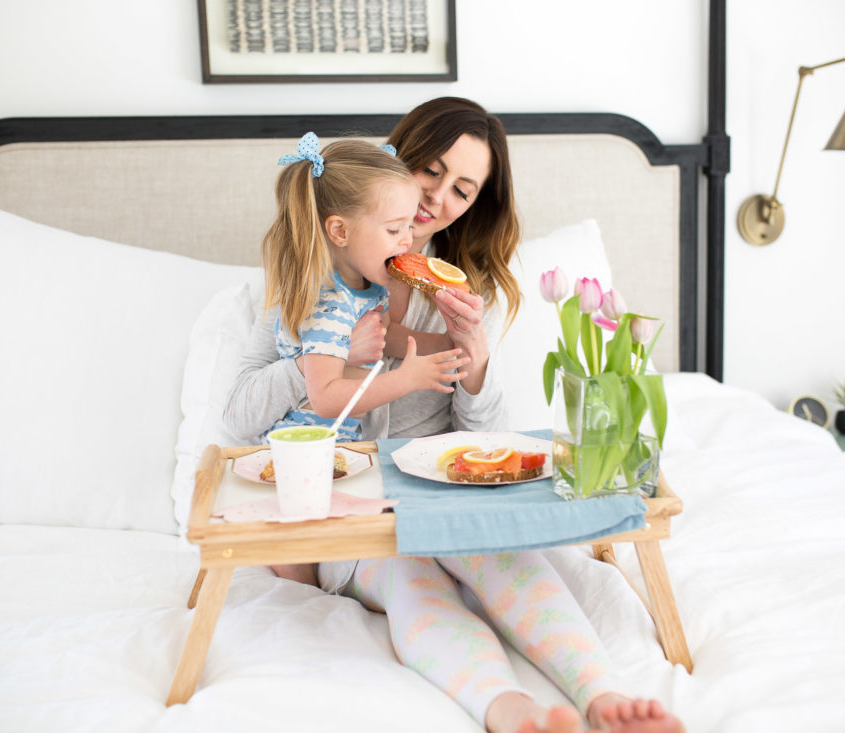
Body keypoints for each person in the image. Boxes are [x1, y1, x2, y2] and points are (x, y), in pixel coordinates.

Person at [225, 98, 683, 733]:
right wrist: (317, 360)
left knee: (510, 559)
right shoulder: (305, 272)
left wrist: (474, 361)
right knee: (411, 581)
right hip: (346, 491)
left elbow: (477, 441)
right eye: (429, 171)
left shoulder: (467, 285)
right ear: (398, 156)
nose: (434, 199)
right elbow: (237, 412)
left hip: (437, 483)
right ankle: (510, 710)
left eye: (461, 189)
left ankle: (603, 696)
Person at [259, 132, 469, 443]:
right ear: (340, 231)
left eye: (409, 226)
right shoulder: (329, 306)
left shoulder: (365, 290)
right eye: (394, 229)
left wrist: (447, 342)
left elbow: (385, 337)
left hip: (337, 445)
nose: (407, 240)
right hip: (303, 448)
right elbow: (326, 398)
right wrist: (405, 380)